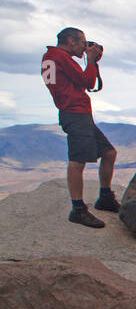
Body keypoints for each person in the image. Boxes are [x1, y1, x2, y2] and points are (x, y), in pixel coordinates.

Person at [40, 27, 117, 228]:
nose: (85, 46)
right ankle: (78, 209)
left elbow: (83, 83)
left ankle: (105, 197)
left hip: (77, 113)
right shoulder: (60, 57)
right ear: (71, 41)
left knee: (109, 152)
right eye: (82, 43)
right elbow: (87, 81)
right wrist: (91, 61)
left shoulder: (51, 57)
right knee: (77, 161)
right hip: (75, 113)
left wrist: (92, 62)